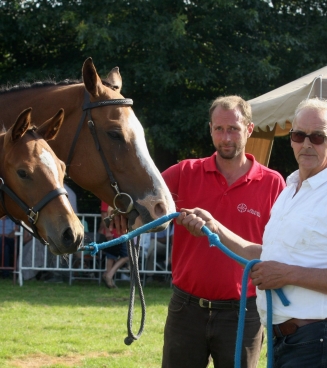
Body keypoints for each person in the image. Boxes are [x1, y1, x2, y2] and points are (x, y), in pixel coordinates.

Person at [176, 97, 327, 367]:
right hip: (287, 340)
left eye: (318, 137)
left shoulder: (282, 184)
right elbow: (266, 256)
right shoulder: (291, 189)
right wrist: (215, 227)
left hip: (315, 340)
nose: (306, 143)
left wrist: (288, 274)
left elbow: (279, 268)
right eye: (299, 134)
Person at [160, 95, 286, 368]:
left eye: (233, 129)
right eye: (219, 129)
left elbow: (281, 248)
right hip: (186, 309)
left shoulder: (273, 183)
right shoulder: (184, 172)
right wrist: (122, 211)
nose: (226, 137)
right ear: (210, 129)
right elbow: (143, 199)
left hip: (243, 312)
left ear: (249, 130)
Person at [99, 201, 129, 289]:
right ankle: (109, 275)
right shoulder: (106, 198)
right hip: (114, 232)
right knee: (126, 256)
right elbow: (104, 215)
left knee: (111, 256)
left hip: (119, 232)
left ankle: (108, 277)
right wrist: (108, 232)